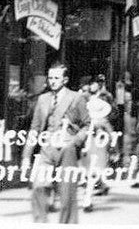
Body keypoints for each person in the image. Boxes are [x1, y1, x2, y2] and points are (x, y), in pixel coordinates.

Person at [26, 63, 90, 223]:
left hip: (67, 148)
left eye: (56, 78)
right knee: (38, 186)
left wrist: (76, 141)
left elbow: (88, 125)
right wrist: (26, 155)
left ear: (65, 79)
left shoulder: (76, 97)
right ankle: (40, 223)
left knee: (67, 192)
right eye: (50, 78)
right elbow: (34, 128)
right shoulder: (42, 99)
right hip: (46, 148)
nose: (52, 81)